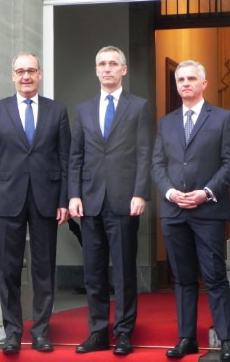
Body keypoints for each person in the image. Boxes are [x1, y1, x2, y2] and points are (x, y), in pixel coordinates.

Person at [0, 52, 71, 354]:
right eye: (21, 71)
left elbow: (64, 159)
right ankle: (13, 333)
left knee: (44, 269)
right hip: (6, 200)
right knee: (8, 269)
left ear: (40, 74)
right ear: (13, 76)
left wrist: (64, 200)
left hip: (46, 199)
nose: (26, 76)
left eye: (31, 70)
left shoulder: (57, 112)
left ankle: (41, 332)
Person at [151, 60, 230, 361]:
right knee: (183, 278)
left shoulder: (223, 119)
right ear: (176, 85)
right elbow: (157, 165)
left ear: (204, 83)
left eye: (191, 78)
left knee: (214, 275)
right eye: (181, 79)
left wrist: (205, 193)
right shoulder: (166, 122)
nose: (186, 83)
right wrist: (171, 192)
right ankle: (186, 338)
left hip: (208, 211)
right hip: (174, 212)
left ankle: (226, 340)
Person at [68, 45, 153, 356]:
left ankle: (124, 332)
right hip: (90, 201)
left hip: (124, 200)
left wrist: (141, 193)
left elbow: (145, 154)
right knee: (93, 272)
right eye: (102, 64)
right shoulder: (83, 109)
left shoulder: (139, 107)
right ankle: (98, 332)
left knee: (123, 272)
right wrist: (73, 194)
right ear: (96, 70)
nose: (107, 69)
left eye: (113, 64)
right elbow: (76, 156)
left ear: (123, 70)